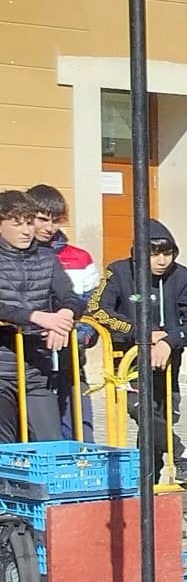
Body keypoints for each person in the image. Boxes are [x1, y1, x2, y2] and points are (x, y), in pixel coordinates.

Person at [87, 219, 187, 484]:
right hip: (127, 362)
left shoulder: (183, 276)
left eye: (167, 253)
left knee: (160, 420)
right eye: (154, 254)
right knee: (141, 410)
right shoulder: (118, 272)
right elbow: (97, 309)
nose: (162, 261)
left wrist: (169, 340)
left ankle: (148, 486)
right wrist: (140, 333)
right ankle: (180, 452)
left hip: (166, 362)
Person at [0, 190, 90, 444]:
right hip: (2, 366)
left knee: (51, 441)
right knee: (6, 448)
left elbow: (70, 296)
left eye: (30, 222)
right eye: (17, 223)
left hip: (35, 366)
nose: (26, 231)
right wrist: (36, 317)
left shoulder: (46, 257)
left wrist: (63, 317)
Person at [26, 184, 97, 440]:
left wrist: (81, 334)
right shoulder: (15, 256)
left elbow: (92, 305)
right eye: (43, 219)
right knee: (37, 435)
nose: (50, 227)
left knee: (81, 432)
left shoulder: (79, 258)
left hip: (71, 358)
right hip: (29, 359)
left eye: (56, 220)